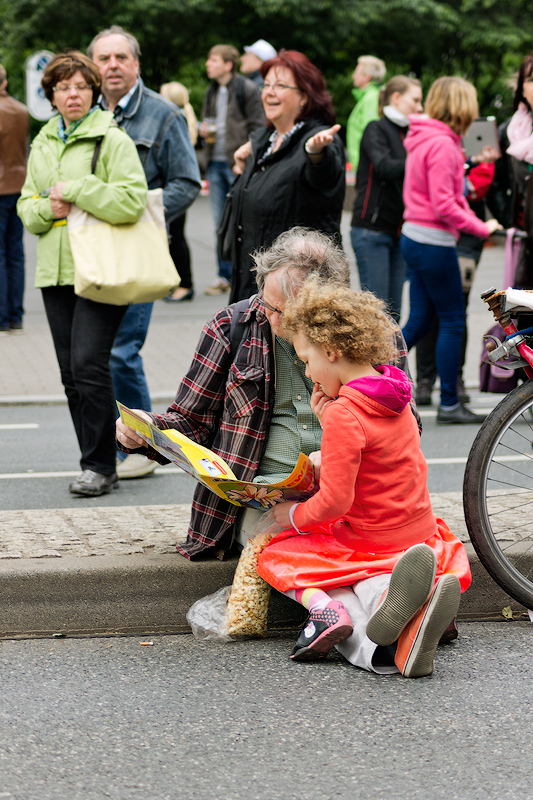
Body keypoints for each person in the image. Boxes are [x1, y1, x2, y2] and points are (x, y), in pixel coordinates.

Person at [116, 227, 420, 560]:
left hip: (352, 495)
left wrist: (341, 456)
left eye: (285, 313)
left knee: (356, 550)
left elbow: (405, 429)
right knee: (295, 549)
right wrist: (146, 431)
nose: (271, 318)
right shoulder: (230, 327)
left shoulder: (374, 334)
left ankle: (358, 608)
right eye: (267, 303)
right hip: (261, 497)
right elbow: (192, 422)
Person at [255, 279, 471, 677]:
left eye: (306, 359)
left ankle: (341, 614)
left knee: (279, 553)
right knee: (367, 568)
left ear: (332, 352)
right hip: (418, 532)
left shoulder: (343, 415)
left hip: (371, 540)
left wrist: (292, 517)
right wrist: (328, 418)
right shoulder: (396, 389)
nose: (306, 370)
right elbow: (378, 453)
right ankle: (412, 617)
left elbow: (335, 502)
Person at [17, 51, 148, 496]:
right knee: (70, 374)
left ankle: (101, 465)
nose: (72, 94)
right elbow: (25, 205)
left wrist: (76, 190)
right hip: (56, 272)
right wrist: (45, 208)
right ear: (51, 94)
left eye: (80, 87)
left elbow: (132, 199)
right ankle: (95, 461)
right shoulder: (42, 141)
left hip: (100, 268)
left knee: (89, 365)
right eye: (63, 87)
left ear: (92, 92)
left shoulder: (110, 138)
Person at [88, 26, 201, 480]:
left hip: (141, 251)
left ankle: (139, 449)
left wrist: (138, 216)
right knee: (92, 356)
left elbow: (187, 184)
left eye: (120, 57)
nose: (112, 65)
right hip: (93, 253)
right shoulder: (85, 115)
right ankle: (106, 450)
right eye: (103, 58)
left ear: (136, 64)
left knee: (121, 351)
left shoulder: (163, 115)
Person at [400, 76, 502, 425]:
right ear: (461, 105)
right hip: (433, 240)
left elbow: (447, 189)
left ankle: (370, 373)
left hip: (415, 236)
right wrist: (482, 227)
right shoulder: (443, 145)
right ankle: (448, 405)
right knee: (453, 321)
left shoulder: (426, 137)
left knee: (421, 319)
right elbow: (445, 203)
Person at [227, 49, 346, 303]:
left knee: (285, 346)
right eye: (266, 84)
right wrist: (242, 171)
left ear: (304, 97)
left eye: (280, 85)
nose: (269, 91)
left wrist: (315, 153)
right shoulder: (262, 141)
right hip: (251, 288)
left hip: (297, 297)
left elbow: (325, 180)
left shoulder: (320, 141)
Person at [351, 75, 423, 322]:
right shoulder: (376, 128)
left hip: (399, 232)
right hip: (372, 231)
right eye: (415, 100)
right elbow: (384, 166)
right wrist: (421, 158)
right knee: (377, 316)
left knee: (393, 317)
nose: (420, 107)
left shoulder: (411, 133)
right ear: (396, 97)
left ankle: (390, 363)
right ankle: (373, 363)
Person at [200, 44, 264, 296]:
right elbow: (208, 120)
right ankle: (223, 275)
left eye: (213, 60)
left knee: (243, 220)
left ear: (228, 64)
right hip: (214, 163)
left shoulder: (246, 89)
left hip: (237, 163)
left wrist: (245, 153)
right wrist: (204, 131)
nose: (208, 64)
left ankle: (246, 275)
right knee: (220, 222)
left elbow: (258, 125)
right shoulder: (211, 90)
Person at [160, 82, 198, 303]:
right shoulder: (185, 116)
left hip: (174, 183)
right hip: (174, 182)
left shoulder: (175, 119)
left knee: (175, 235)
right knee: (174, 234)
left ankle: (185, 284)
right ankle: (179, 282)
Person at [0, 64, 29, 335]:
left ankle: (1, 316)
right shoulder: (21, 111)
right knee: (15, 253)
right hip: (19, 185)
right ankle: (15, 315)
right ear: (5, 83)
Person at [346, 55, 386, 174]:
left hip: (366, 168)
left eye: (357, 72)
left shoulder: (371, 98)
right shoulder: (368, 97)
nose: (353, 76)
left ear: (367, 77)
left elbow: (371, 134)